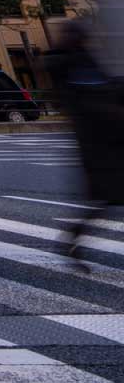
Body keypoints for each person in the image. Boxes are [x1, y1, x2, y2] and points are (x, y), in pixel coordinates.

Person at [45, 18, 124, 264]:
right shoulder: (69, 64)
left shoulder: (80, 60)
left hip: (105, 139)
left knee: (106, 197)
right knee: (107, 196)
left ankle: (72, 237)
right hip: (98, 142)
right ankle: (72, 237)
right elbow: (95, 97)